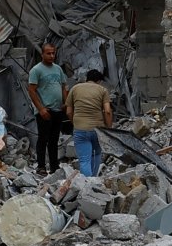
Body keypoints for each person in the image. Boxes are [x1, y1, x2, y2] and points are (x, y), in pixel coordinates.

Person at [27, 43, 70, 175]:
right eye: (48, 53)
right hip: (45, 110)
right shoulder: (36, 70)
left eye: (53, 53)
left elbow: (63, 87)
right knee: (43, 139)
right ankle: (41, 166)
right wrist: (41, 109)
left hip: (58, 110)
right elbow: (32, 90)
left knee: (54, 139)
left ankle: (54, 166)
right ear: (42, 54)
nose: (51, 56)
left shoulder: (57, 69)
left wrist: (66, 103)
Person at [65, 68, 113, 178]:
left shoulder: (75, 88)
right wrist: (108, 128)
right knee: (96, 155)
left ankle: (87, 184)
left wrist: (76, 123)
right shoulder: (102, 90)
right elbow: (107, 111)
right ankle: (93, 181)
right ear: (99, 81)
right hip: (97, 130)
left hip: (80, 130)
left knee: (84, 161)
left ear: (87, 79)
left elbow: (68, 111)